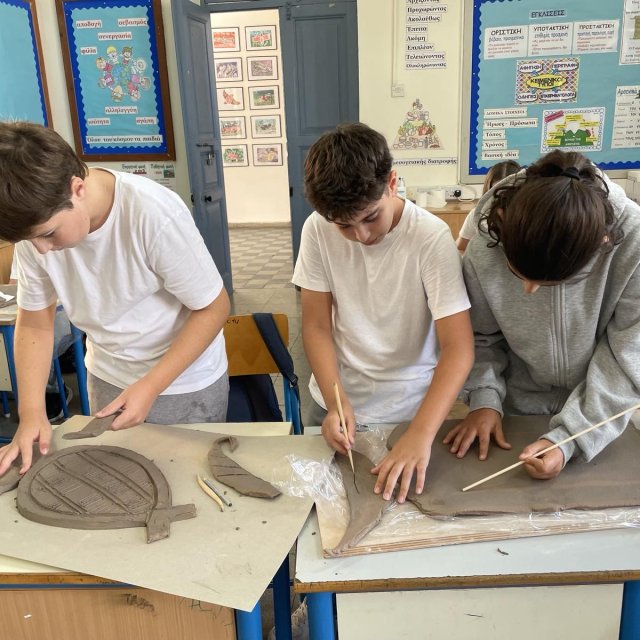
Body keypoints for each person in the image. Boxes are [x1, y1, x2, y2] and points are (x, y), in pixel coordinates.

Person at [0, 121, 230, 476]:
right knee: (116, 482)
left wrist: (151, 385)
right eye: (30, 241)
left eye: (48, 234)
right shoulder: (36, 229)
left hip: (182, 381)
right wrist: (31, 413)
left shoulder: (151, 214)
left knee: (189, 483)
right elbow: (34, 321)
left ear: (77, 189)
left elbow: (214, 307)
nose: (41, 249)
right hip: (108, 375)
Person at [292, 122, 474, 503]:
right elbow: (316, 325)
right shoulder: (317, 230)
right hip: (335, 400)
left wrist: (421, 434)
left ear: (392, 183)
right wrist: (335, 403)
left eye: (371, 217)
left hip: (409, 413)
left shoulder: (430, 238)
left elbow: (458, 348)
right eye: (344, 225)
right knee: (325, 511)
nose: (361, 236)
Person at [445, 150, 640, 479]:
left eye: (550, 283)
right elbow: (481, 336)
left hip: (603, 419)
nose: (528, 291)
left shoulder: (632, 244)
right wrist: (485, 399)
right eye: (517, 273)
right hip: (516, 411)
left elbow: (628, 356)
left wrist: (571, 438)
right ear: (503, 220)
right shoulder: (485, 245)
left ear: (601, 244)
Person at [9, 253, 75, 422]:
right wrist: (31, 413)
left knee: (52, 333)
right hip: (106, 369)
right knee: (18, 339)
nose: (41, 248)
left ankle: (53, 390)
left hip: (66, 310)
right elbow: (15, 285)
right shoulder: (28, 244)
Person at [455, 160, 520, 253]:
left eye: (508, 194)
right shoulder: (478, 215)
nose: (502, 201)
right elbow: (460, 246)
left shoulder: (529, 218)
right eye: (496, 194)